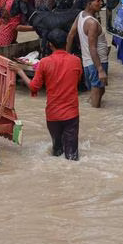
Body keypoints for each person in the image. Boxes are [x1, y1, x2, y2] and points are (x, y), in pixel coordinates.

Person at [24, 28, 82, 160]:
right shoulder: (76, 61)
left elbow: (34, 87)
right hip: (71, 114)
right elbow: (77, 81)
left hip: (53, 114)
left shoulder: (44, 62)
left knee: (57, 150)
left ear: (50, 45)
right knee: (72, 156)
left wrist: (19, 71)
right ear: (67, 42)